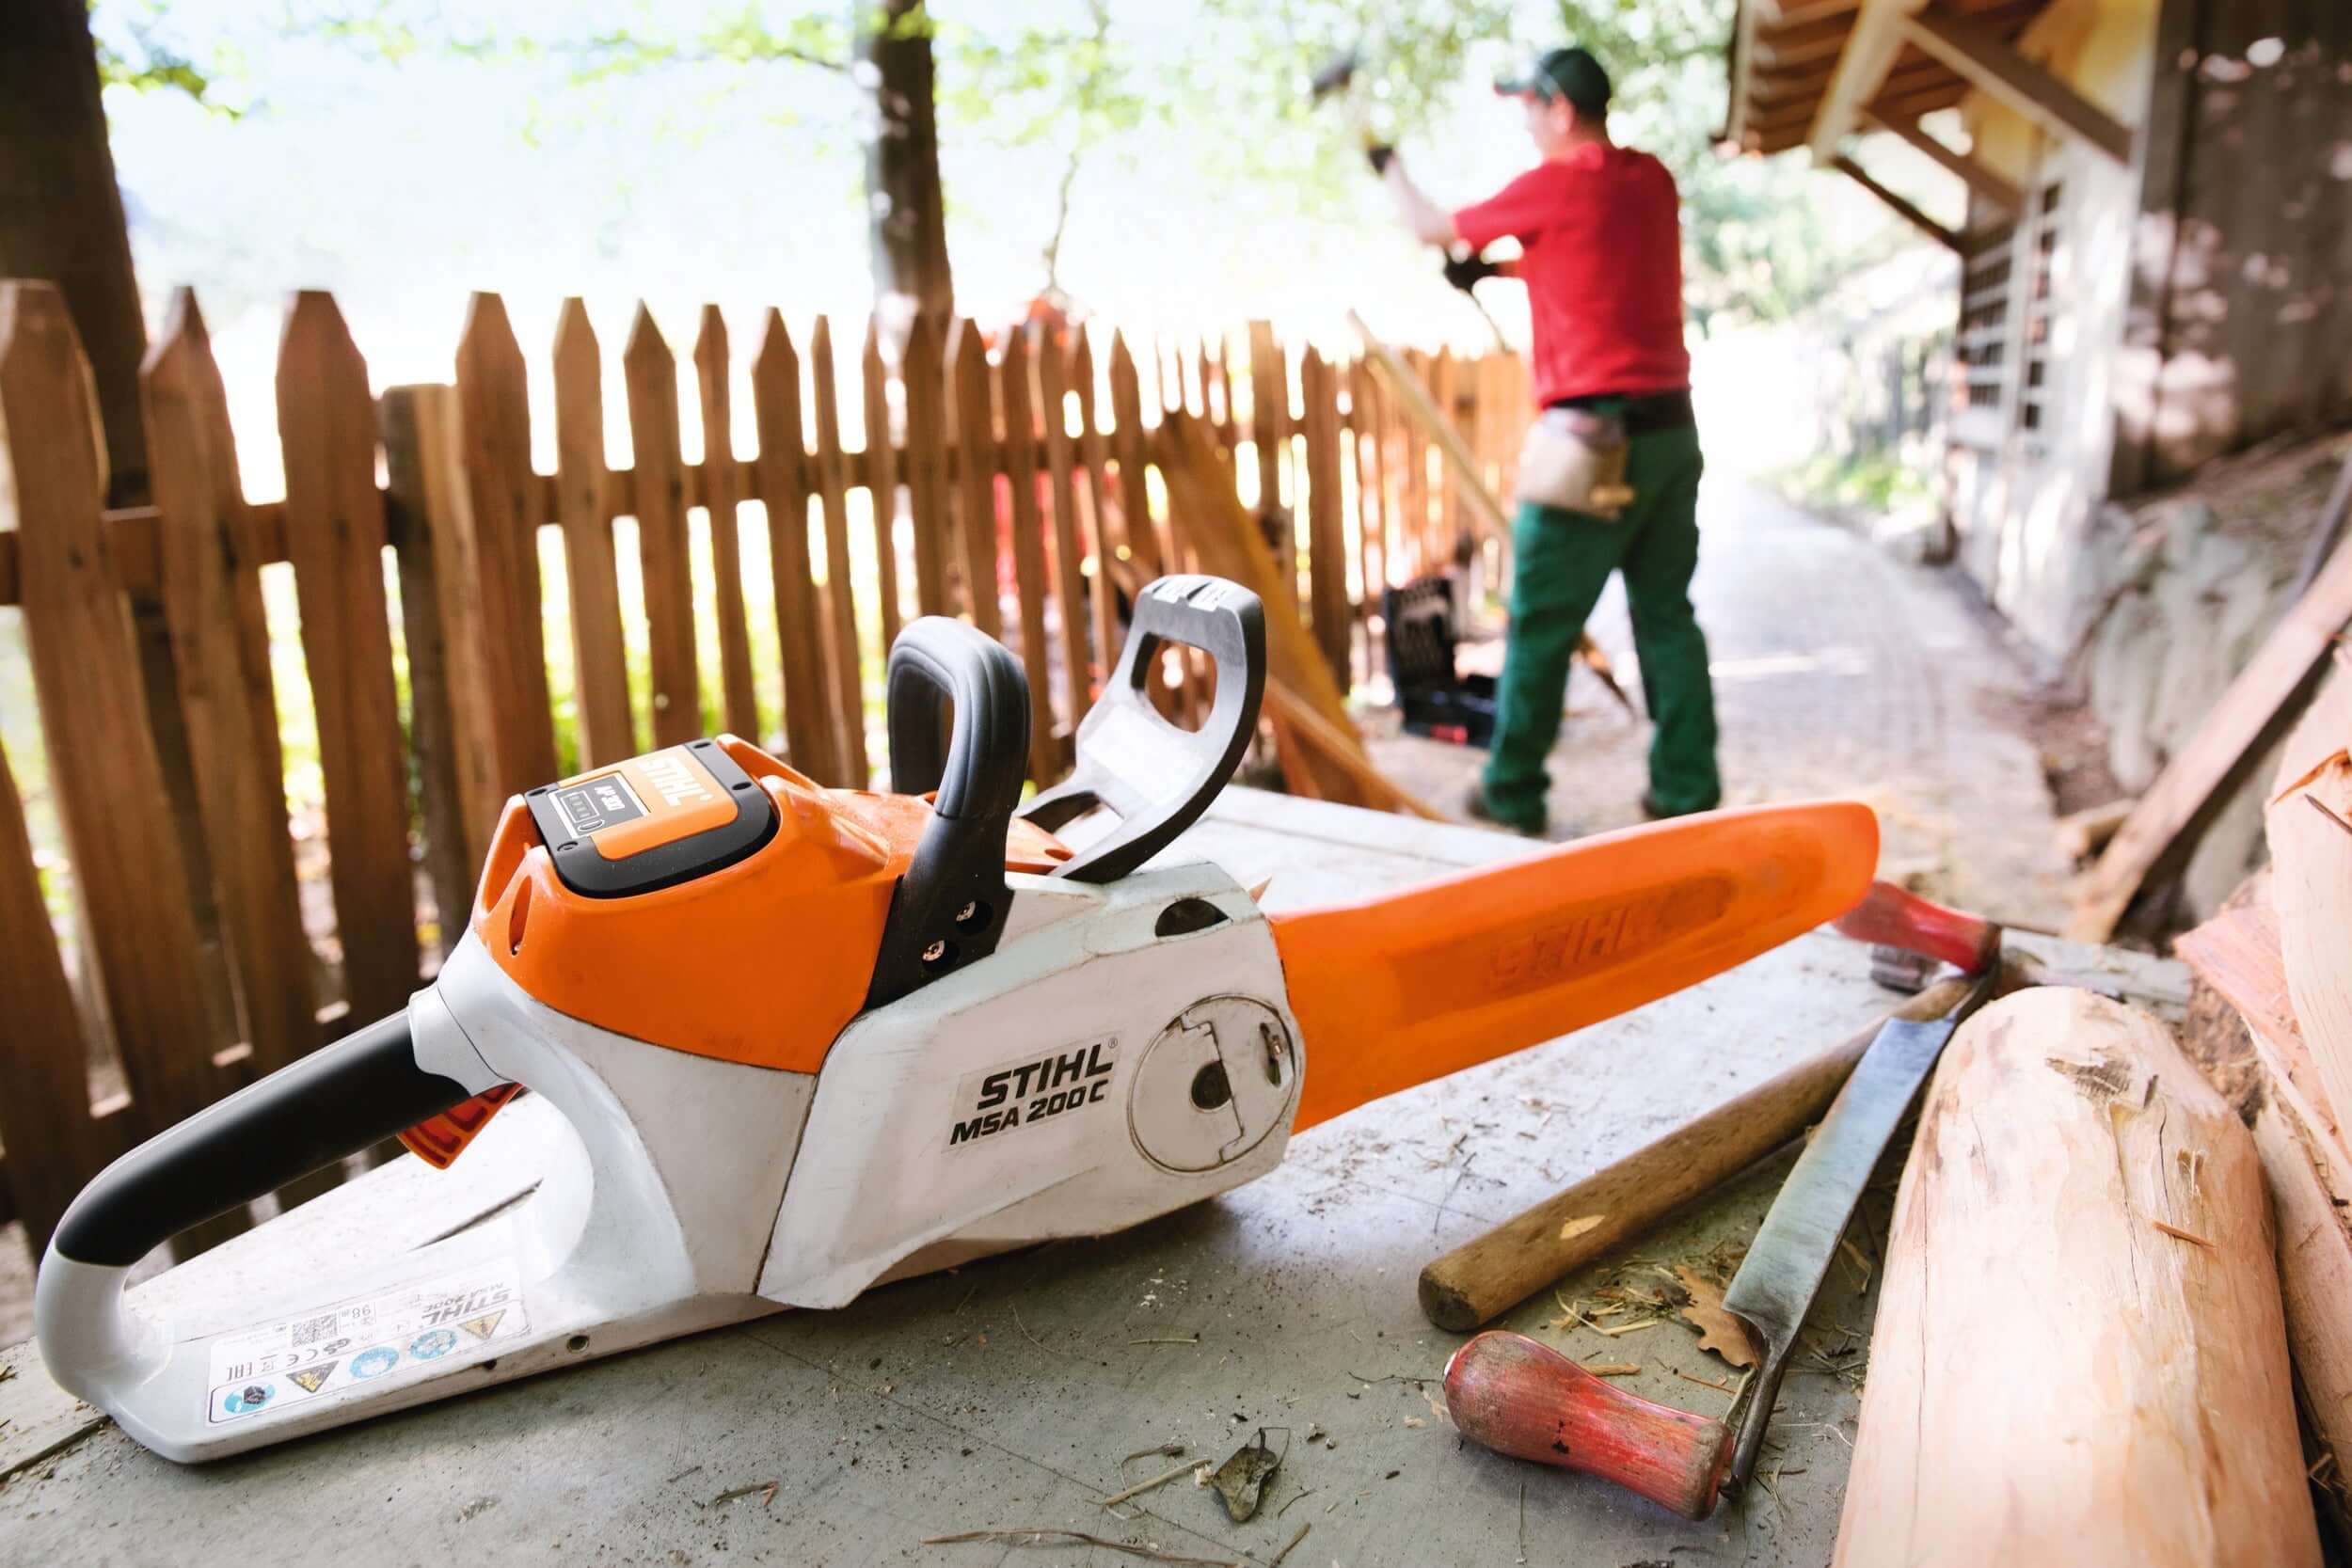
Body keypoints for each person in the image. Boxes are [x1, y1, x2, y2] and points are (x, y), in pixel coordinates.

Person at [1376, 44, 1721, 834]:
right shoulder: (1651, 181)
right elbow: (1594, 264)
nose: (1528, 127)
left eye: (1531, 110)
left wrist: (1386, 161)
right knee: (1667, 615)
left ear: (1560, 109)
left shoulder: (1556, 183)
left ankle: (1513, 790)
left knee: (1538, 620)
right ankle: (1687, 793)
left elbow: (1431, 226)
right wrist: (1496, 274)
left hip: (1592, 441)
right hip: (1672, 430)